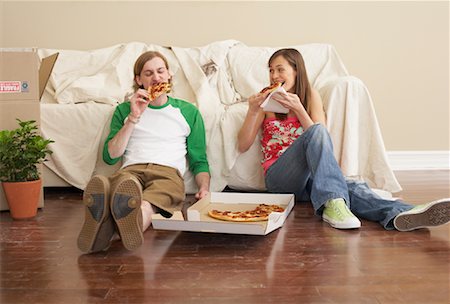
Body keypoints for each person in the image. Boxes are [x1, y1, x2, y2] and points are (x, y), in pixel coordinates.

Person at [238, 48, 449, 231]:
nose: (274, 75)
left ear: (296, 70)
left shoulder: (310, 95)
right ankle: (333, 202)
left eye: (280, 69)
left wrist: (298, 108)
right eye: (271, 70)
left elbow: (321, 138)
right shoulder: (265, 101)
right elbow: (243, 144)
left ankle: (403, 213)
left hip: (310, 181)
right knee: (322, 141)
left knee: (353, 189)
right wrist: (253, 110)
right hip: (279, 179)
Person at [77, 51, 210, 253]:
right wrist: (133, 117)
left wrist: (204, 188)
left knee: (145, 205)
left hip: (167, 173)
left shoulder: (188, 111)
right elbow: (110, 155)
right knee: (126, 193)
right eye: (148, 74)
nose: (156, 78)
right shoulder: (124, 110)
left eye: (160, 71)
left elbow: (199, 160)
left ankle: (105, 225)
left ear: (169, 75)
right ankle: (112, 216)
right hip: (131, 173)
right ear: (138, 80)